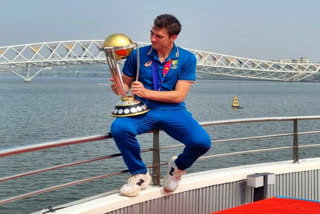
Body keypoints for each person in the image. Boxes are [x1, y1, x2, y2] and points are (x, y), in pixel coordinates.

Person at [110, 14, 211, 197]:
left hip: (173, 110)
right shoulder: (137, 55)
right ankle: (139, 173)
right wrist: (119, 88)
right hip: (143, 110)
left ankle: (178, 167)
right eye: (151, 33)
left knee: (201, 142)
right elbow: (125, 86)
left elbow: (179, 95)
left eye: (158, 36)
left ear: (173, 37)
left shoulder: (187, 59)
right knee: (119, 128)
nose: (152, 39)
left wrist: (146, 92)